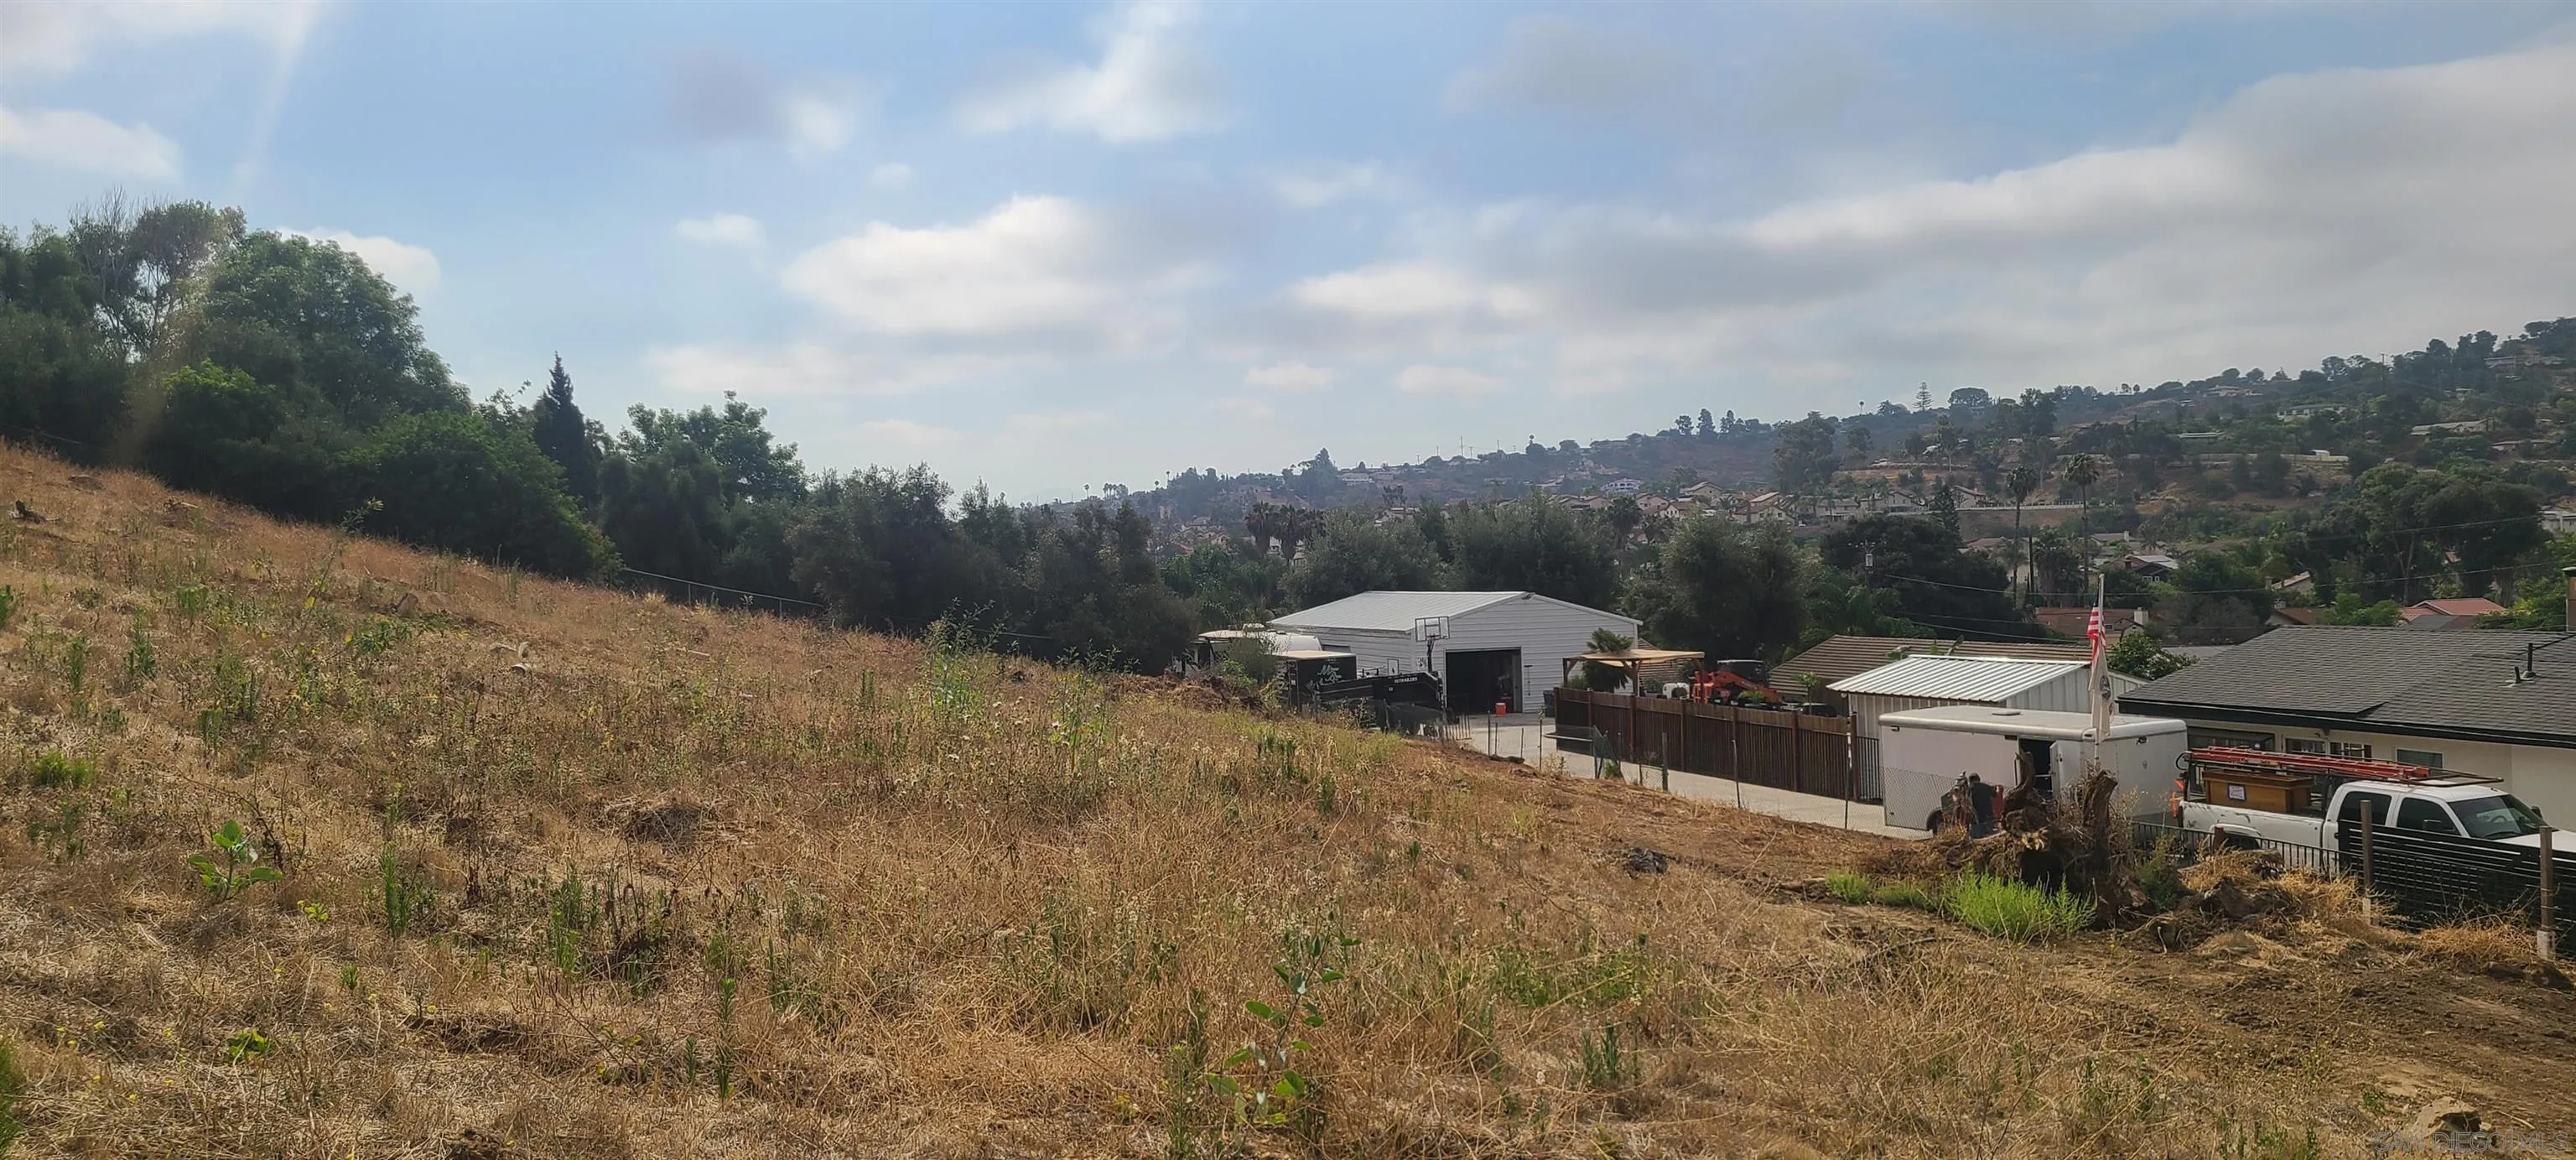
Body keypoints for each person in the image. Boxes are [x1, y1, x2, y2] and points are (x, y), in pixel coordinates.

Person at [1967, 774, 1997, 838]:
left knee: (1977, 837)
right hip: (1988, 813)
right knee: (1990, 835)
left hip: (1977, 816)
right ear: (1979, 779)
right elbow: (1995, 795)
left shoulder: (1970, 789)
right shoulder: (1986, 787)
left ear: (1970, 781)